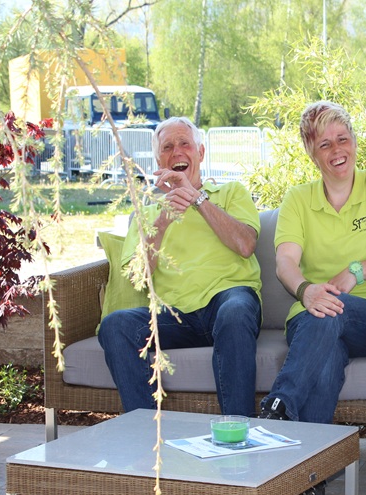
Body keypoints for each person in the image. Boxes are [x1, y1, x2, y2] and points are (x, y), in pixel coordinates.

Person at [258, 101, 366, 495]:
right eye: (324, 144)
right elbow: (285, 262)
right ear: (312, 153)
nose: (337, 149)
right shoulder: (298, 200)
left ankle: (279, 404)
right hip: (314, 317)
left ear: (355, 141)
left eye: (343, 138)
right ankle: (311, 486)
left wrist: (358, 271)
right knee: (326, 352)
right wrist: (305, 290)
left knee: (332, 312)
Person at [98, 116, 262, 417]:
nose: (177, 152)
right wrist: (163, 219)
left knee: (236, 311)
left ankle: (237, 429)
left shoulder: (230, 193)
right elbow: (139, 278)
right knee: (115, 326)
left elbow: (245, 245)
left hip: (228, 300)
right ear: (159, 161)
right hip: (174, 315)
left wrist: (197, 198)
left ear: (200, 152)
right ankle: (148, 431)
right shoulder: (147, 214)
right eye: (167, 147)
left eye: (185, 143)